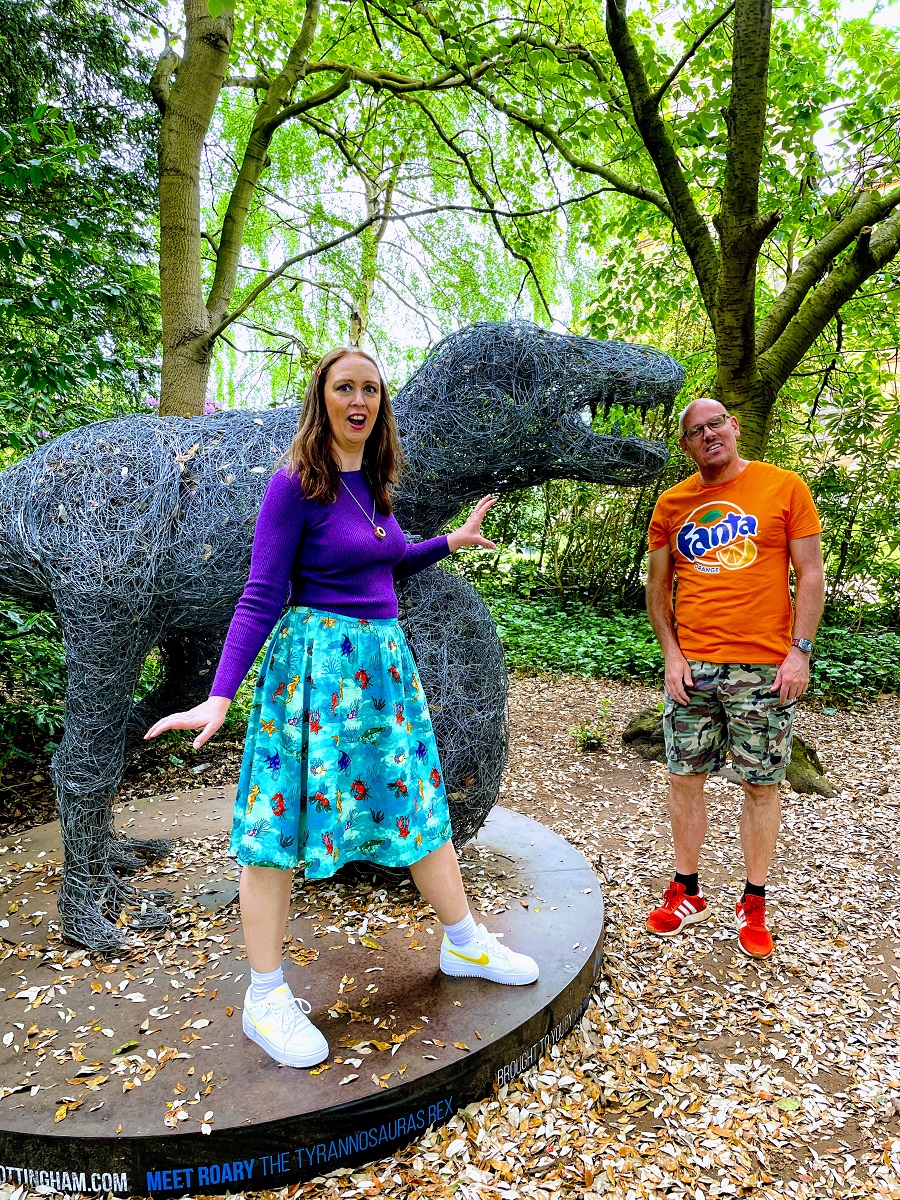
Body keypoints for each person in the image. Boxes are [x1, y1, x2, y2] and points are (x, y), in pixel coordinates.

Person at [145, 347, 538, 1068]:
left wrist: (449, 542)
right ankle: (265, 999)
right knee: (276, 825)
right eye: (344, 387)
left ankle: (464, 944)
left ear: (380, 403)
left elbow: (382, 562)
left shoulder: (375, 480)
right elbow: (263, 592)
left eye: (370, 388)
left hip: (383, 670)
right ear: (321, 398)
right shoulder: (295, 484)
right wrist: (221, 694)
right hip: (317, 676)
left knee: (420, 807)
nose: (358, 399)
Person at [644, 398, 824, 959]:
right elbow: (656, 588)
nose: (708, 435)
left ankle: (754, 901)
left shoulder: (784, 487)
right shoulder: (673, 503)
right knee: (684, 778)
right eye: (695, 431)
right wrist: (671, 655)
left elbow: (810, 572)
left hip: (763, 667)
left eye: (715, 423)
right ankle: (687, 890)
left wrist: (799, 654)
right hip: (693, 667)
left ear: (734, 426)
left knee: (761, 784)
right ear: (687, 445)